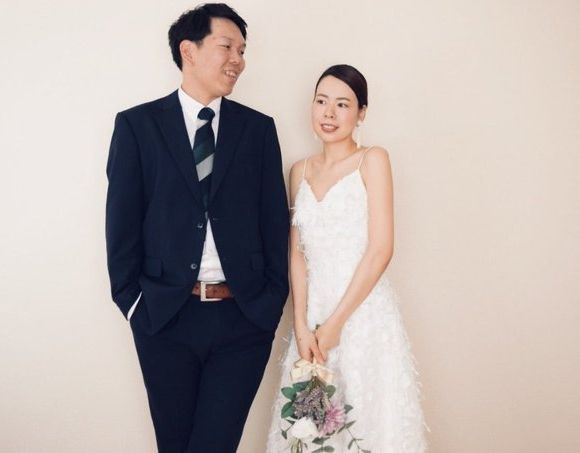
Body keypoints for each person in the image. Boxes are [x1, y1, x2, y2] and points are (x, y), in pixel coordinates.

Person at [105, 4, 289, 452]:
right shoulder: (137, 126)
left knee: (215, 444)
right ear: (188, 50)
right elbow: (121, 225)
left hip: (243, 318)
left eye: (242, 51)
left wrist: (268, 303)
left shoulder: (258, 130)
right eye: (227, 47)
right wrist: (134, 305)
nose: (238, 60)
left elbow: (274, 222)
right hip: (165, 316)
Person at [266, 64, 427, 451]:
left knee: (368, 420)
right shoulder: (299, 170)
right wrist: (302, 325)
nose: (329, 113)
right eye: (321, 101)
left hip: (362, 313)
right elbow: (297, 253)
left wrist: (336, 323)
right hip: (313, 317)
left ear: (361, 113)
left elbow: (381, 248)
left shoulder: (372, 159)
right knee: (312, 430)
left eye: (342, 104)